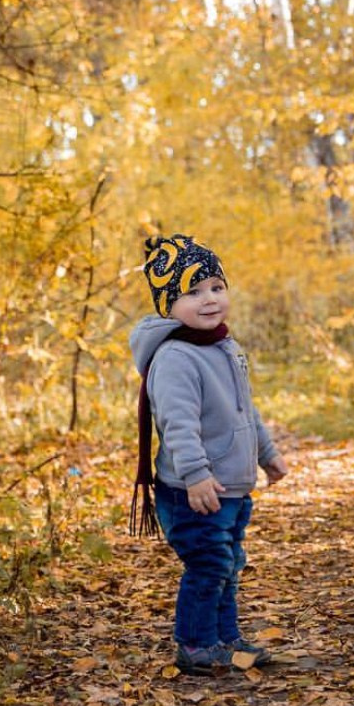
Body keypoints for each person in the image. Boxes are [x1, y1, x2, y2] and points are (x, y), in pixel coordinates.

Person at [128, 233, 290, 676]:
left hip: (232, 487)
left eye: (216, 287)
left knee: (230, 564)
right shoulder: (178, 357)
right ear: (168, 305)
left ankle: (225, 639)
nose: (209, 299)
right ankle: (196, 644)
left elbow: (244, 408)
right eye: (192, 292)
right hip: (194, 490)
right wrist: (196, 474)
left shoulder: (224, 346)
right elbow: (178, 424)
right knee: (209, 565)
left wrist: (268, 454)